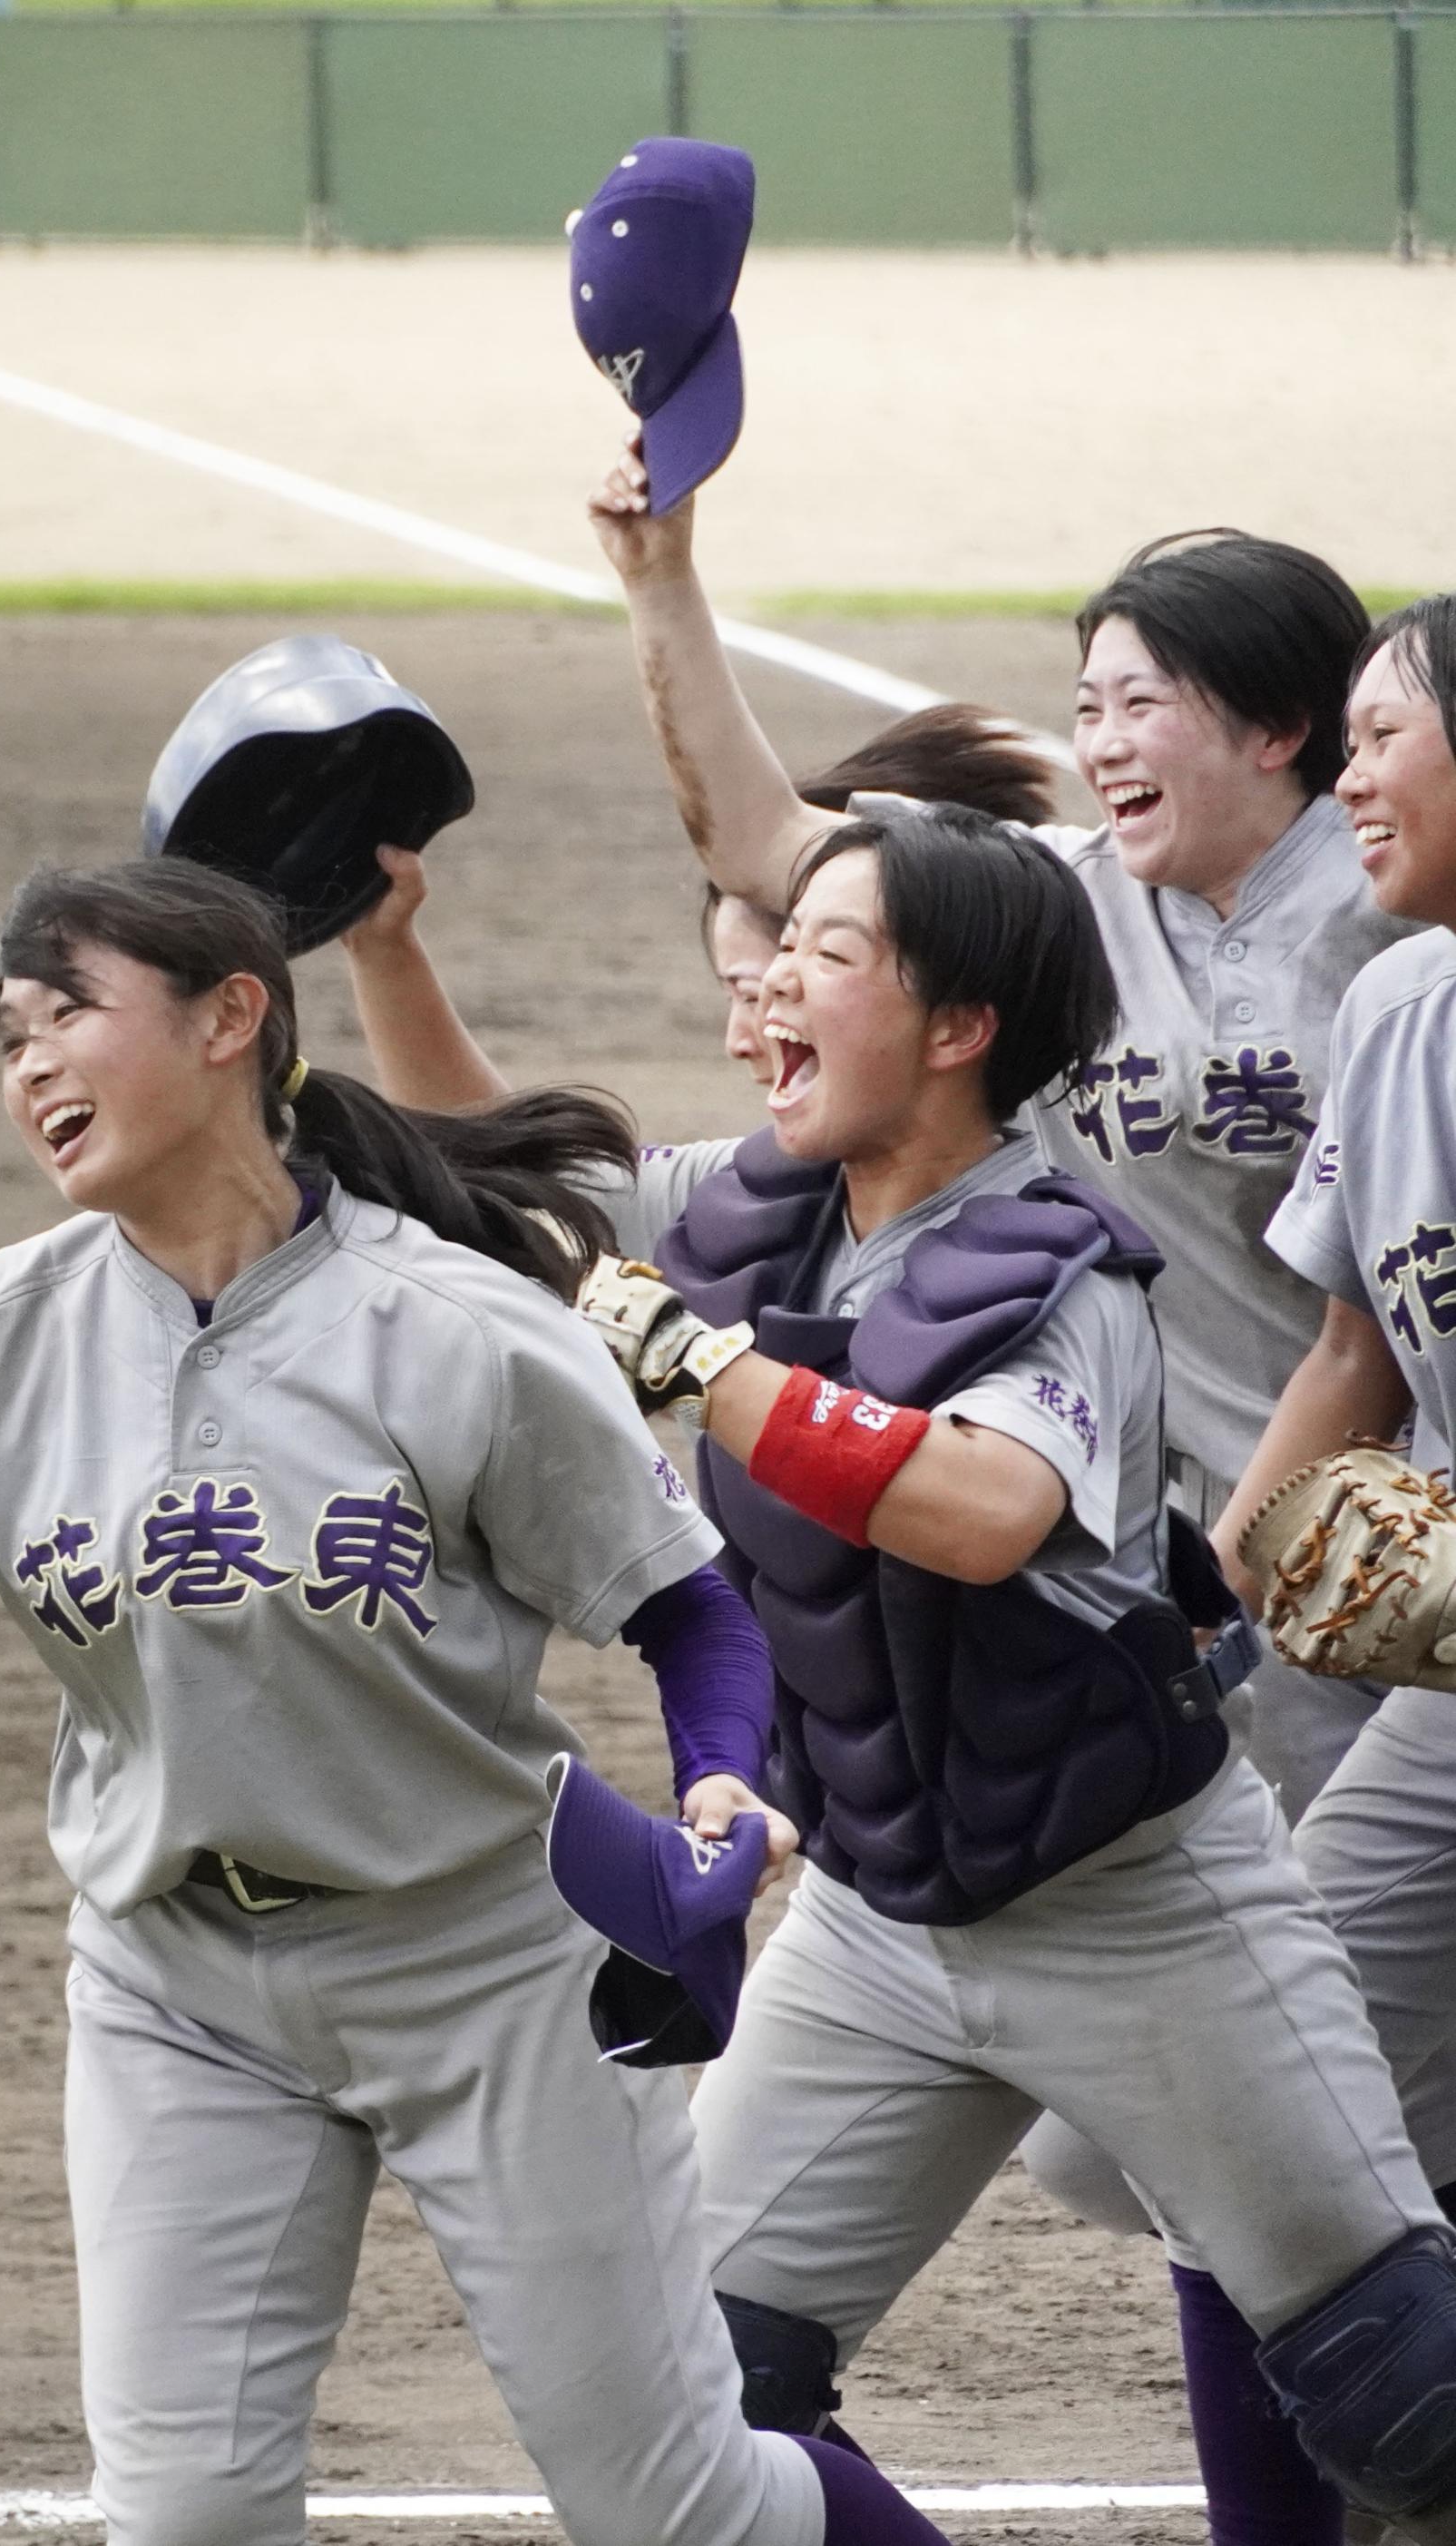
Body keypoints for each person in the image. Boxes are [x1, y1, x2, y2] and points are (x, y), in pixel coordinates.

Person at [0, 857, 959, 2546]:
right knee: (188, 2519)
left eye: (65, 1014)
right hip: (178, 1993)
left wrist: (722, 1782)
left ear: (233, 1016)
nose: (29, 1069)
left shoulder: (456, 1327)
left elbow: (688, 1610)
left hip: (490, 1968)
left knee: (672, 2508)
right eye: (7, 1039)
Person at [590, 451, 1419, 2537]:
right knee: (1216, 2172)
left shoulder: (1392, 915)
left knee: (1321, 2214)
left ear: (1277, 728)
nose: (1093, 730)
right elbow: (769, 844)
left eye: (1140, 692)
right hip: (1175, 1595)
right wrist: (661, 573)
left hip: (1366, 1590)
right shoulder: (1049, 914)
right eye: (1084, 691)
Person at [1212, 594, 1456, 2530]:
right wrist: (1201, 1600)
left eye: (1385, 736)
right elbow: (1347, 1349)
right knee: (1280, 2056)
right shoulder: (1392, 1011)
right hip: (1444, 1710)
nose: (1348, 775)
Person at [341, 701, 1056, 1109]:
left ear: (957, 1022)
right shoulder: (758, 1187)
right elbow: (505, 1168)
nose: (744, 1035)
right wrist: (381, 948)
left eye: (757, 990)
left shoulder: (1049, 1241)